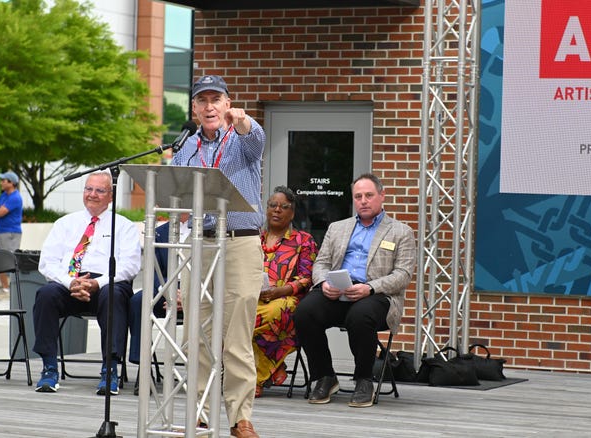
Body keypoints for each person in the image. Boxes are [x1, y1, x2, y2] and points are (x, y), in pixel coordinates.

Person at [171, 74, 265, 438]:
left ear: (227, 104)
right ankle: (200, 415)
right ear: (194, 109)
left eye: (216, 99)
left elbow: (256, 140)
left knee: (237, 336)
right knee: (199, 333)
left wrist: (244, 121)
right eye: (202, 101)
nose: (209, 106)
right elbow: (176, 190)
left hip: (239, 241)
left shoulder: (241, 139)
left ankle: (240, 418)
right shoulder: (187, 148)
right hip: (201, 243)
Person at [294, 173, 416, 408]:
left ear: (382, 196)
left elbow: (402, 276)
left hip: (377, 297)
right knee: (305, 311)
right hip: (337, 293)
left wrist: (369, 288)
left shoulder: (401, 232)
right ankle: (324, 376)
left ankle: (364, 379)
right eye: (358, 196)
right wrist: (323, 284)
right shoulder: (337, 228)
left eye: (369, 195)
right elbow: (320, 264)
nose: (363, 201)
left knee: (360, 315)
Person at [32, 171, 141, 395]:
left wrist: (97, 283)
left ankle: (109, 370)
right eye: (88, 189)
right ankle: (49, 369)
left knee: (113, 295)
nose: (92, 194)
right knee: (46, 295)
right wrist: (71, 282)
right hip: (70, 282)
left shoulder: (124, 226)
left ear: (111, 196)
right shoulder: (65, 223)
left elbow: (130, 266)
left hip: (107, 284)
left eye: (100, 190)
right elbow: (47, 263)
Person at [254, 186, 318, 398]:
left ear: (292, 213)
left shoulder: (303, 241)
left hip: (287, 298)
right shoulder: (255, 239)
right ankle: (275, 366)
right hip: (253, 296)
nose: (277, 210)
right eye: (273, 205)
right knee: (234, 315)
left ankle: (257, 377)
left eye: (284, 207)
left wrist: (279, 290)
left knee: (272, 313)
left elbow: (308, 278)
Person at [128, 214, 189, 395]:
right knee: (139, 301)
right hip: (166, 287)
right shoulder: (159, 233)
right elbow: (153, 270)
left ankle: (203, 374)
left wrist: (187, 296)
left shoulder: (210, 232)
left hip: (198, 292)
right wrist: (167, 292)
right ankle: (144, 369)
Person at [0, 171, 23, 300]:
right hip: (1, 232)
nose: (1, 183)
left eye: (3, 180)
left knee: (9, 261)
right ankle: (5, 289)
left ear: (11, 183)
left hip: (10, 233)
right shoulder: (4, 195)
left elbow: (0, 212)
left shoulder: (15, 197)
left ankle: (13, 290)